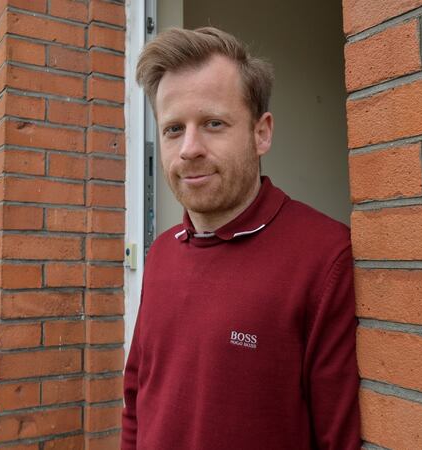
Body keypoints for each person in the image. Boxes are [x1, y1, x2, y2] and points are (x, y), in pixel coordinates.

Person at [122, 27, 361, 449]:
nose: (189, 148)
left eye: (213, 123)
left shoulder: (324, 258)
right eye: (173, 129)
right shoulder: (161, 253)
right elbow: (136, 403)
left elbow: (337, 438)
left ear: (261, 132)